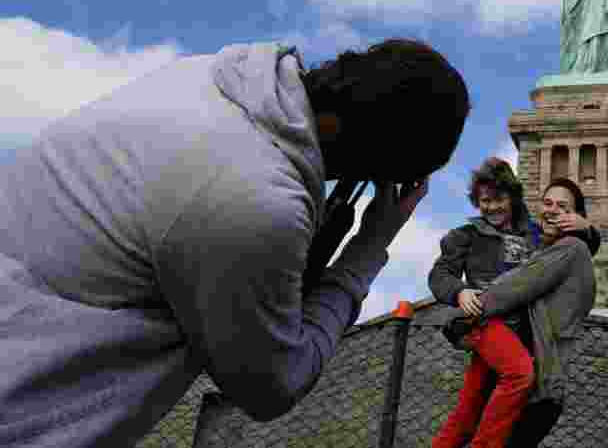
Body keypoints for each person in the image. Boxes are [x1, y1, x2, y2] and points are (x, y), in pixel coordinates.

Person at [0, 39, 470, 447]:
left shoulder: (205, 76)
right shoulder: (257, 200)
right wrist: (367, 249)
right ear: (379, 163)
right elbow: (271, 386)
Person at [430, 174, 598, 448]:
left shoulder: (549, 241)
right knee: (467, 415)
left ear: (514, 202)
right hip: (488, 327)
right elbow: (441, 274)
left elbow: (568, 252)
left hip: (507, 339)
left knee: (472, 414)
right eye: (548, 202)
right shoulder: (468, 235)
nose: (493, 207)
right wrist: (459, 293)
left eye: (563, 207)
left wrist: (588, 229)